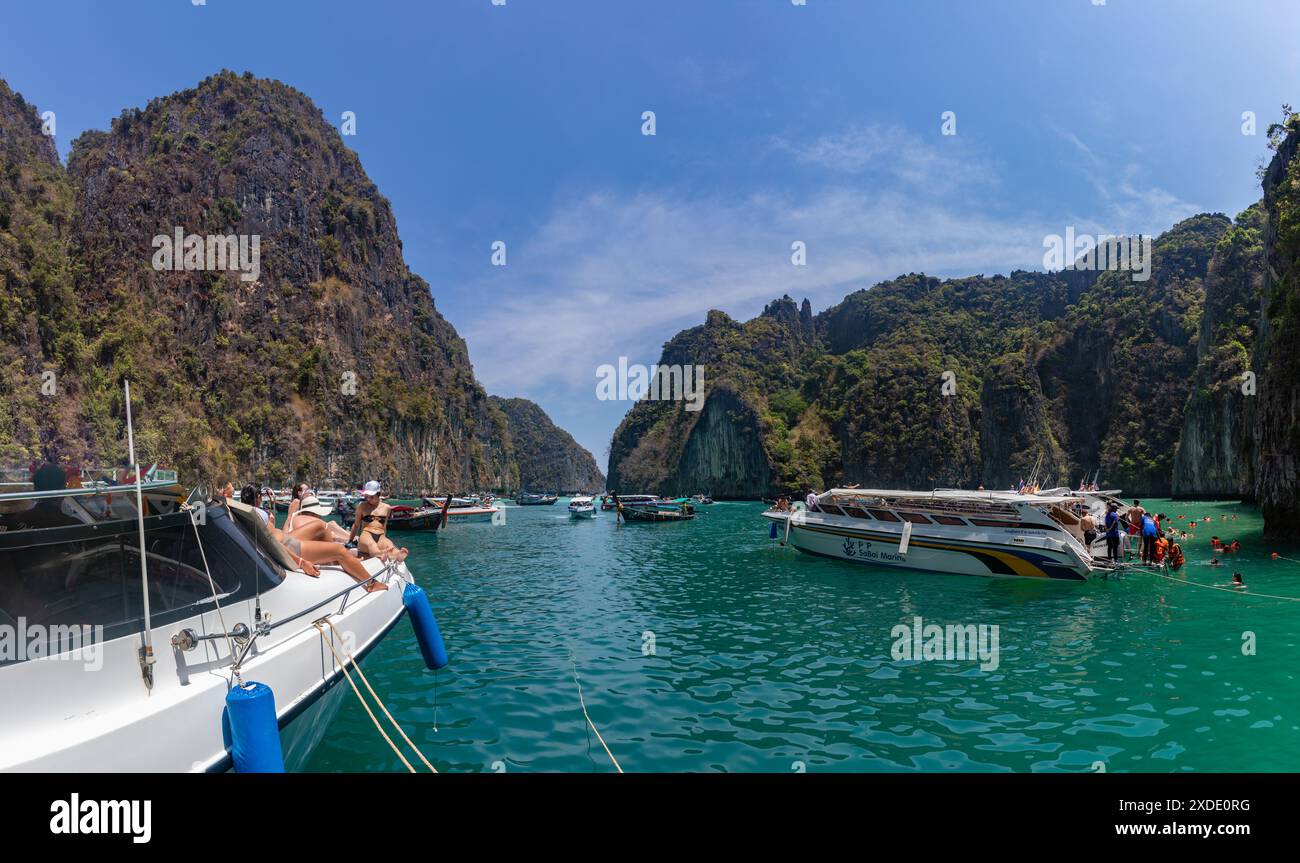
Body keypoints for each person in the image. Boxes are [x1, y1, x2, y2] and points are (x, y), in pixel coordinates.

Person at [349, 480, 409, 563]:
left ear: (378, 494)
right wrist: (350, 541)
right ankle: (380, 554)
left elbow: (384, 526)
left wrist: (384, 539)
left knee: (389, 544)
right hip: (366, 534)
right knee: (371, 545)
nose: (369, 499)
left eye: (372, 497)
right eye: (367, 496)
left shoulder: (387, 508)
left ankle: (397, 554)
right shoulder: (362, 506)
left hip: (380, 535)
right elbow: (356, 525)